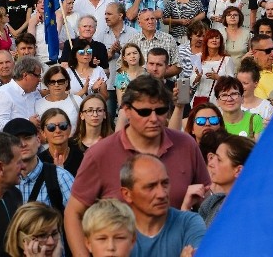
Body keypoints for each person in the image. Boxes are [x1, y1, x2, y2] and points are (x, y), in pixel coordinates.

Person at [63, 75, 210, 257]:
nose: (154, 118)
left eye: (161, 110)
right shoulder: (100, 154)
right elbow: (73, 214)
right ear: (126, 110)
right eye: (144, 112)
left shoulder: (186, 145)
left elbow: (209, 203)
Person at [121, 154, 206, 256]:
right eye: (150, 187)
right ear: (127, 194)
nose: (162, 194)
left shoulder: (189, 223)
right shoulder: (115, 231)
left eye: (165, 183)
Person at [199, 134, 255, 226]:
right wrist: (186, 206)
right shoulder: (212, 202)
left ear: (239, 171)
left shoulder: (250, 212)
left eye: (219, 159)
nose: (211, 163)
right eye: (213, 157)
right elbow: (195, 237)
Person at [0, 56, 43, 132]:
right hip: (11, 142)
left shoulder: (35, 93)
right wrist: (27, 122)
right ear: (25, 75)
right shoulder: (3, 94)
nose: (40, 80)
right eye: (37, 76)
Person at [214, 76, 264, 140]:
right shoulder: (214, 123)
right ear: (217, 101)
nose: (229, 99)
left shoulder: (255, 120)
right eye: (224, 95)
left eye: (234, 94)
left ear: (242, 98)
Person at [39, 108, 85, 177]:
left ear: (70, 128)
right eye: (51, 127)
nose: (58, 131)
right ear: (43, 133)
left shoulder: (83, 158)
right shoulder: (39, 163)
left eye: (63, 126)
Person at [237, 58, 273, 123]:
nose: (240, 86)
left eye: (245, 83)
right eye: (238, 82)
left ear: (255, 83)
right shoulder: (231, 104)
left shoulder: (267, 107)